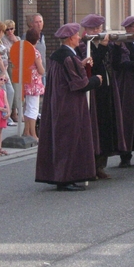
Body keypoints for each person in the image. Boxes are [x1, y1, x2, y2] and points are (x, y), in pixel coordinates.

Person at [35, 23, 103, 192]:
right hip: (69, 105)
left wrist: (81, 63)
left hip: (59, 104)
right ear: (71, 38)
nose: (79, 38)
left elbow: (66, 76)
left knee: (63, 139)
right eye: (77, 35)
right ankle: (65, 178)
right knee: (69, 140)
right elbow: (78, 84)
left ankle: (62, 176)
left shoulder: (59, 56)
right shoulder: (67, 57)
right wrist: (96, 80)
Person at [77, 14, 119, 180]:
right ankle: (91, 165)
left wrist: (112, 46)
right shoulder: (83, 45)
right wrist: (101, 47)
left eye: (99, 28)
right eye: (94, 29)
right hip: (94, 91)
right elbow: (91, 66)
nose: (97, 31)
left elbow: (112, 62)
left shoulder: (104, 43)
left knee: (106, 127)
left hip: (106, 88)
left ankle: (101, 164)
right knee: (95, 127)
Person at [111, 16, 134, 168]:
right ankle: (125, 155)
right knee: (127, 118)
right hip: (128, 86)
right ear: (127, 29)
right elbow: (120, 64)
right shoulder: (122, 44)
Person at [22, 28, 45, 142]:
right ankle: (33, 134)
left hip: (26, 80)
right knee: (33, 108)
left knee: (28, 107)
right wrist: (43, 69)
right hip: (34, 82)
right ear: (37, 39)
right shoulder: (35, 52)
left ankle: (26, 131)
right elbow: (40, 70)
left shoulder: (23, 50)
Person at [1, 19, 20, 121]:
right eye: (7, 30)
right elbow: (6, 53)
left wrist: (15, 41)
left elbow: (22, 50)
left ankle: (16, 110)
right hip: (9, 65)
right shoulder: (3, 40)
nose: (9, 32)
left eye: (11, 29)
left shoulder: (17, 38)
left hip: (17, 65)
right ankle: (13, 111)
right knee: (12, 88)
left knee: (18, 89)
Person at [26, 13, 46, 84]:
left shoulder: (42, 36)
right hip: (33, 75)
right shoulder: (27, 37)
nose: (39, 24)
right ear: (32, 24)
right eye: (36, 22)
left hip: (42, 71)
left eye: (40, 22)